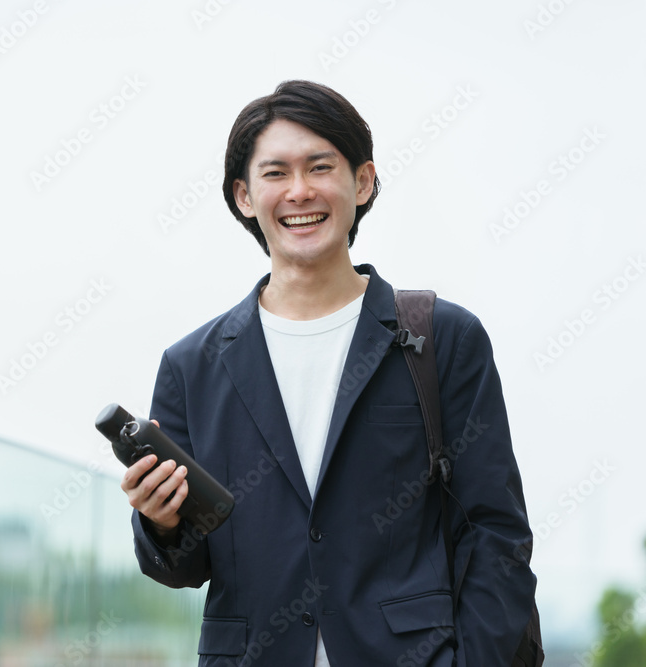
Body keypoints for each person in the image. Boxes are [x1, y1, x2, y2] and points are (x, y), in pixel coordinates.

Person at [119, 80, 537, 665]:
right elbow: (188, 566)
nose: (299, 191)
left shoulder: (442, 338)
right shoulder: (192, 365)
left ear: (362, 181)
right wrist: (161, 524)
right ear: (243, 195)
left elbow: (497, 533)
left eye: (320, 167)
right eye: (274, 174)